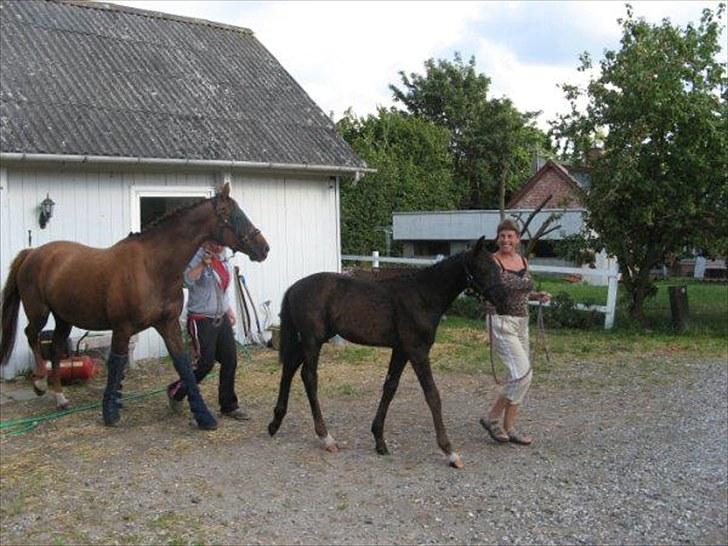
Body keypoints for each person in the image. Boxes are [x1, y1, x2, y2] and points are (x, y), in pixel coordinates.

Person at [480, 218, 550, 445]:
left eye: (510, 236)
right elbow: (486, 289)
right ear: (497, 239)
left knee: (517, 376)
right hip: (501, 321)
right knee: (523, 375)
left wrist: (536, 295)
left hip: (522, 322)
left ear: (518, 239)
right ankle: (499, 421)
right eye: (502, 236)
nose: (506, 240)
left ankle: (501, 423)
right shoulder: (492, 262)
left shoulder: (523, 261)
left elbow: (521, 290)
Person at [167, 241, 249, 421]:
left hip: (220, 316)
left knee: (230, 360)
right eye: (216, 244)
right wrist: (203, 264)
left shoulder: (224, 258)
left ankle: (228, 405)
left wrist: (228, 310)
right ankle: (176, 391)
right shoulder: (195, 255)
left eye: (222, 245)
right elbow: (187, 280)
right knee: (205, 363)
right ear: (208, 242)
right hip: (201, 318)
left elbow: (222, 289)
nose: (220, 248)